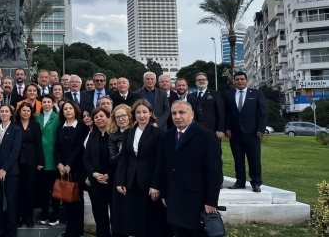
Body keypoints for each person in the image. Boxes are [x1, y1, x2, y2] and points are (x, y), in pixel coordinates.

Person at [161, 100, 223, 237]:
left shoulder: (208, 137)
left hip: (197, 200)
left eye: (182, 112)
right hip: (174, 198)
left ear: (192, 114)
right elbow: (165, 167)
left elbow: (215, 173)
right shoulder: (167, 137)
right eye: (174, 113)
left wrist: (211, 201)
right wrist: (165, 193)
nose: (177, 116)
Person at [115, 99, 168, 237]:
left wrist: (156, 185)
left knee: (151, 221)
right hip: (132, 182)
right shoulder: (128, 133)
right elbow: (124, 158)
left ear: (150, 113)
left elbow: (160, 160)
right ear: (133, 114)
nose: (141, 115)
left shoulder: (158, 133)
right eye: (138, 112)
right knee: (134, 219)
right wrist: (120, 181)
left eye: (145, 112)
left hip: (150, 183)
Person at [224, 71, 268, 193]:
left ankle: (256, 182)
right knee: (238, 159)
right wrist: (226, 128)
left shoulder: (256, 93)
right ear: (234, 81)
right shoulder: (228, 95)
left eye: (242, 79)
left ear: (246, 81)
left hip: (252, 132)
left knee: (254, 159)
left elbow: (263, 112)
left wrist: (261, 128)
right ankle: (240, 181)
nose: (240, 81)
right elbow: (225, 114)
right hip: (235, 133)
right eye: (237, 79)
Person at [54, 100, 88, 237]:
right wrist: (59, 164)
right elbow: (56, 146)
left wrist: (69, 164)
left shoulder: (81, 127)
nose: (68, 111)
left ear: (75, 111)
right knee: (66, 200)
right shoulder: (60, 126)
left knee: (76, 201)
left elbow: (79, 148)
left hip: (76, 169)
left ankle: (76, 231)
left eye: (70, 108)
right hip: (62, 169)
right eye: (65, 109)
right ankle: (69, 230)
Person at [0, 104, 22, 237]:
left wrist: (4, 169)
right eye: (1, 111)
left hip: (11, 172)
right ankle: (2, 232)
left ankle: (12, 233)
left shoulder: (16, 130)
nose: (4, 113)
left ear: (10, 114)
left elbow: (15, 151)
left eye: (6, 111)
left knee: (11, 203)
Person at [83, 108, 114, 237]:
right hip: (95, 180)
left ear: (108, 117)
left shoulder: (114, 135)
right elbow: (86, 158)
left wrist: (108, 174)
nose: (99, 119)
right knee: (99, 212)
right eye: (96, 117)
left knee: (115, 212)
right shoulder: (92, 136)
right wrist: (93, 174)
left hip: (111, 180)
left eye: (101, 116)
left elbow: (118, 158)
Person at [14, 103, 44, 228]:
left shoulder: (35, 125)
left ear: (31, 113)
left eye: (28, 110)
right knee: (19, 191)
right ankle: (20, 217)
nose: (26, 112)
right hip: (17, 163)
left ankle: (29, 217)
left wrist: (40, 162)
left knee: (30, 191)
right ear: (19, 112)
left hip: (32, 163)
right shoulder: (14, 125)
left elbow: (38, 144)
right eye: (23, 110)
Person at [37, 95, 60, 226]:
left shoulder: (57, 118)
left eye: (48, 102)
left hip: (52, 158)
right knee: (44, 190)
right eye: (44, 102)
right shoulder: (38, 118)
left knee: (54, 190)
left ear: (52, 104)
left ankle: (55, 215)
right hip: (41, 158)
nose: (46, 104)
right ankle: (45, 214)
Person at [109, 104, 131, 237]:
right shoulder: (113, 136)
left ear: (129, 117)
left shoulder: (137, 131)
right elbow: (111, 159)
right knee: (117, 211)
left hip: (135, 176)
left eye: (123, 116)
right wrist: (121, 152)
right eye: (117, 117)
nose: (121, 119)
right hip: (119, 176)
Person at [195, 72, 226, 138]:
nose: (201, 81)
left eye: (203, 79)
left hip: (212, 129)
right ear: (196, 82)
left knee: (212, 148)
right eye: (199, 80)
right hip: (195, 129)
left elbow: (221, 112)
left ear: (207, 82)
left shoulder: (215, 94)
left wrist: (220, 129)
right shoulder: (191, 96)